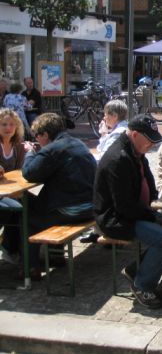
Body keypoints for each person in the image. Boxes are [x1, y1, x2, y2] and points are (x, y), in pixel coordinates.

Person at [94, 114, 162, 309]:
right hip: (116, 219)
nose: (152, 145)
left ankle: (137, 270)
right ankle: (143, 285)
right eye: (150, 140)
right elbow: (124, 206)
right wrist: (153, 215)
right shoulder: (118, 159)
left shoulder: (135, 151)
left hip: (135, 212)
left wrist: (155, 205)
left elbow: (149, 184)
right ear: (135, 134)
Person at [22, 113, 96, 276]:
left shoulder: (52, 150)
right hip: (91, 206)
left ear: (45, 135)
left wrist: (30, 152)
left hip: (73, 210)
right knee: (45, 205)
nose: (36, 139)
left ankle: (30, 268)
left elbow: (29, 173)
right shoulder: (78, 143)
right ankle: (55, 256)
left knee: (28, 215)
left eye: (37, 136)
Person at [0, 109, 27, 264]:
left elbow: (21, 171)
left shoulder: (18, 145)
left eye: (11, 124)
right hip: (3, 193)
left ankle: (12, 248)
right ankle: (10, 248)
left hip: (13, 190)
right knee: (16, 209)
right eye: (4, 124)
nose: (8, 128)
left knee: (29, 203)